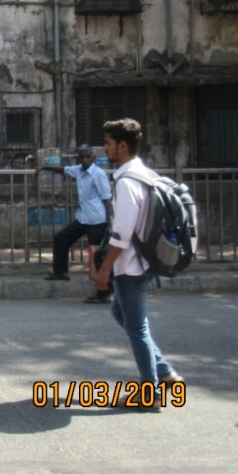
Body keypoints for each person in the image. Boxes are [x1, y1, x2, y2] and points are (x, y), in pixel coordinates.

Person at [94, 118, 182, 392]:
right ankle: (164, 372)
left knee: (137, 328)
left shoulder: (126, 183)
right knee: (120, 313)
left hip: (131, 266)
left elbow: (122, 233)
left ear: (122, 146)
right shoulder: (142, 174)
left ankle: (151, 391)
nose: (104, 148)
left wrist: (105, 268)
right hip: (143, 261)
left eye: (108, 143)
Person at [36, 144, 113, 302]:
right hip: (84, 218)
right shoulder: (78, 170)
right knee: (61, 238)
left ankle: (103, 293)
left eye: (87, 157)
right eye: (81, 157)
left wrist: (110, 223)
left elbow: (107, 199)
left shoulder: (98, 174)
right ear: (77, 158)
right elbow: (62, 169)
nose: (84, 160)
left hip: (97, 220)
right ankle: (61, 272)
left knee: (97, 257)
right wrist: (44, 167)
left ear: (93, 158)